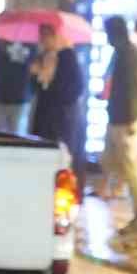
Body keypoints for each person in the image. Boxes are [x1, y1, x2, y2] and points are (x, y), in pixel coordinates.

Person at [102, 17, 137, 234]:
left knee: (131, 169)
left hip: (125, 120)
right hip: (118, 118)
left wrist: (132, 119)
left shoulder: (129, 55)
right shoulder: (123, 53)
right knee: (114, 163)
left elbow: (135, 89)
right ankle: (132, 207)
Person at [29, 23, 86, 188]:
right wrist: (35, 75)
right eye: (41, 36)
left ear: (55, 36)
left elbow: (74, 88)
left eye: (46, 36)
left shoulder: (67, 56)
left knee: (64, 156)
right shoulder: (42, 57)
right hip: (44, 115)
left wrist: (51, 81)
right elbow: (37, 90)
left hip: (63, 117)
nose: (43, 40)